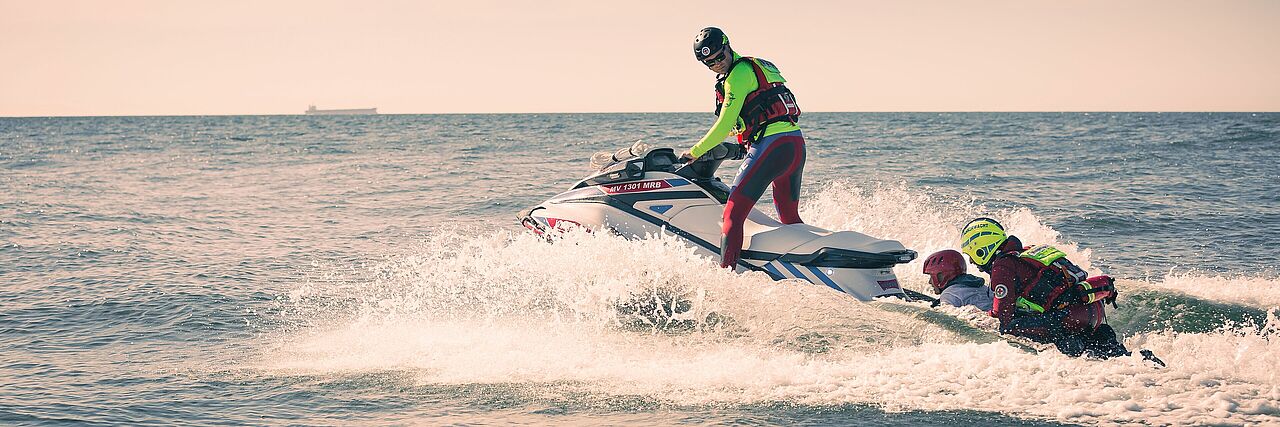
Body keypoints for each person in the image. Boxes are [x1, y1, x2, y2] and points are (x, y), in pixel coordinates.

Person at [680, 27, 806, 269]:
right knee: (789, 217)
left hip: (773, 146)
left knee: (732, 215)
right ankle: (809, 264)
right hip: (794, 145)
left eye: (719, 57)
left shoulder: (737, 74)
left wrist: (694, 152)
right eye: (709, 63)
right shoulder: (756, 67)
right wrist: (740, 147)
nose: (717, 64)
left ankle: (726, 276)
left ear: (728, 46)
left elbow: (724, 123)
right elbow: (750, 117)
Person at [959, 217, 1129, 358]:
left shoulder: (1003, 266)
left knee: (1005, 328)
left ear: (981, 249)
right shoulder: (1028, 251)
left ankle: (1069, 346)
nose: (972, 262)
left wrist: (975, 318)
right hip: (1092, 309)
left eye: (971, 255)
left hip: (1069, 317)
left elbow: (1001, 316)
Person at [922, 249, 994, 311]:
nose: (930, 282)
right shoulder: (980, 286)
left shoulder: (949, 295)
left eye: (931, 276)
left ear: (941, 275)